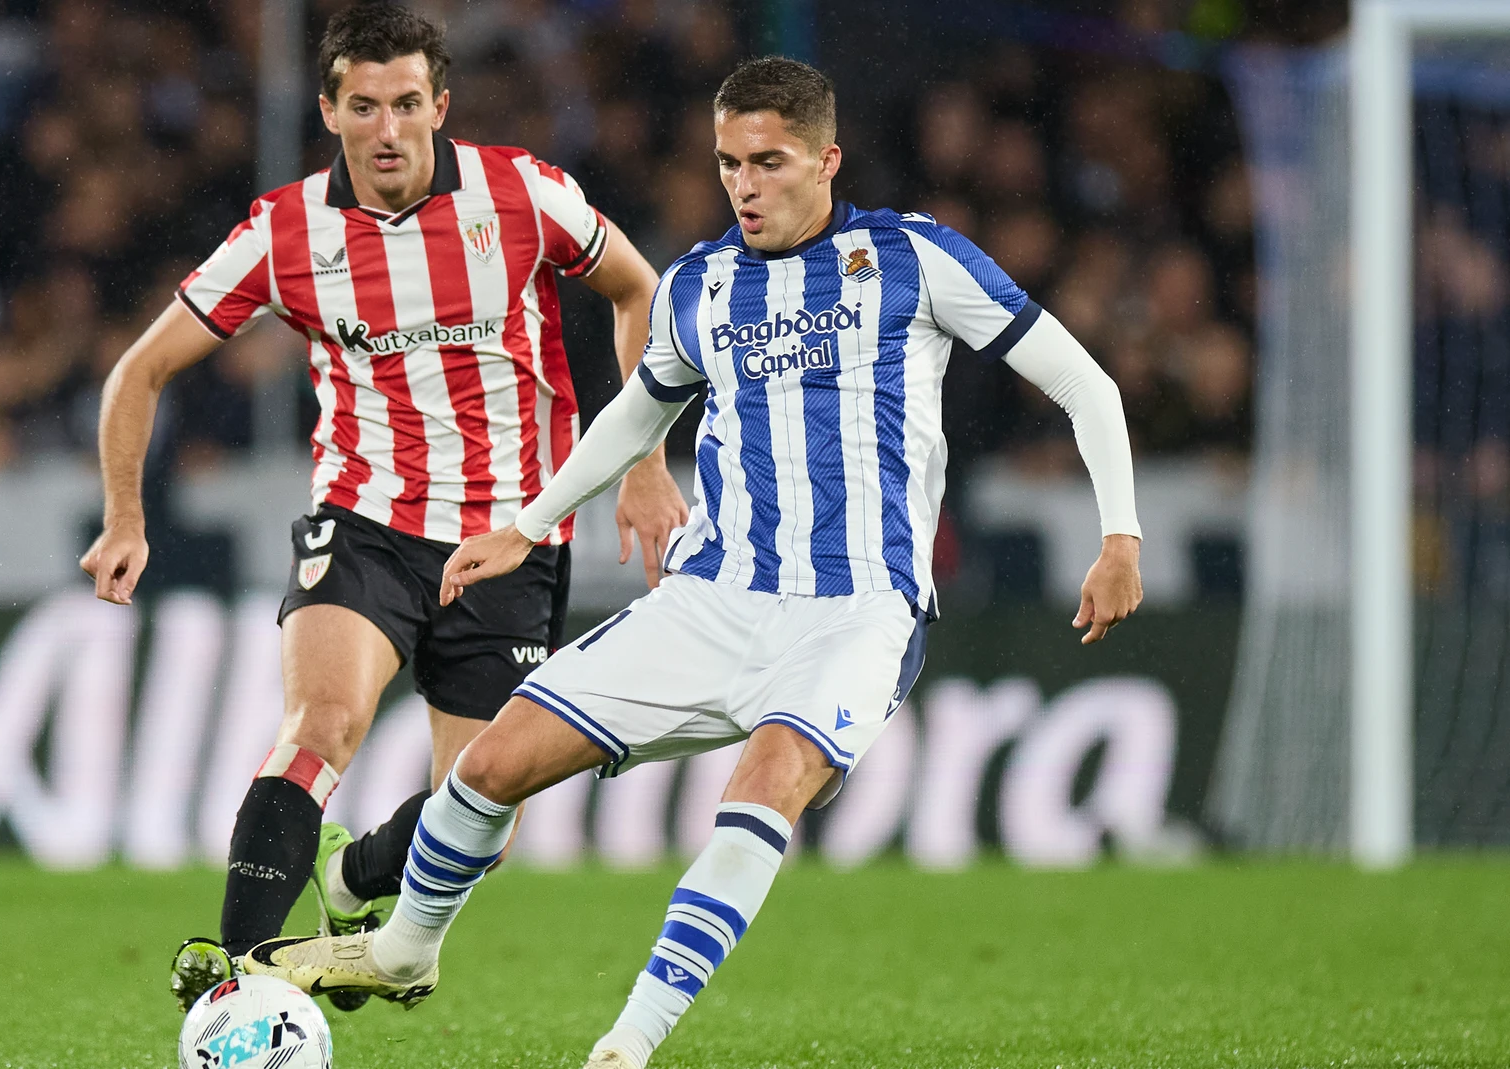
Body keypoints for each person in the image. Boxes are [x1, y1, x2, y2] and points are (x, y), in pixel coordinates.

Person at [238, 56, 1145, 1068]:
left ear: (825, 160)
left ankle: (626, 1044)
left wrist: (1119, 535)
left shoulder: (912, 260)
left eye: (768, 162)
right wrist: (529, 525)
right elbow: (635, 414)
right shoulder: (700, 287)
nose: (744, 185)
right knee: (490, 766)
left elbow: (1082, 382)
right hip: (712, 599)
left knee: (763, 785)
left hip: (856, 609)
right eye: (727, 164)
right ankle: (404, 949)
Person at [76, 3, 687, 1013]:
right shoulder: (283, 232)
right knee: (322, 720)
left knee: (486, 817)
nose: (388, 128)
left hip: (510, 536)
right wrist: (123, 516)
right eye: (364, 106)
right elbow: (140, 371)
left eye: (407, 103)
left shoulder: (522, 197)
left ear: (440, 106)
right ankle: (243, 989)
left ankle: (356, 875)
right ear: (330, 111)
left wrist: (644, 459)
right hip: (365, 517)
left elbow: (639, 293)